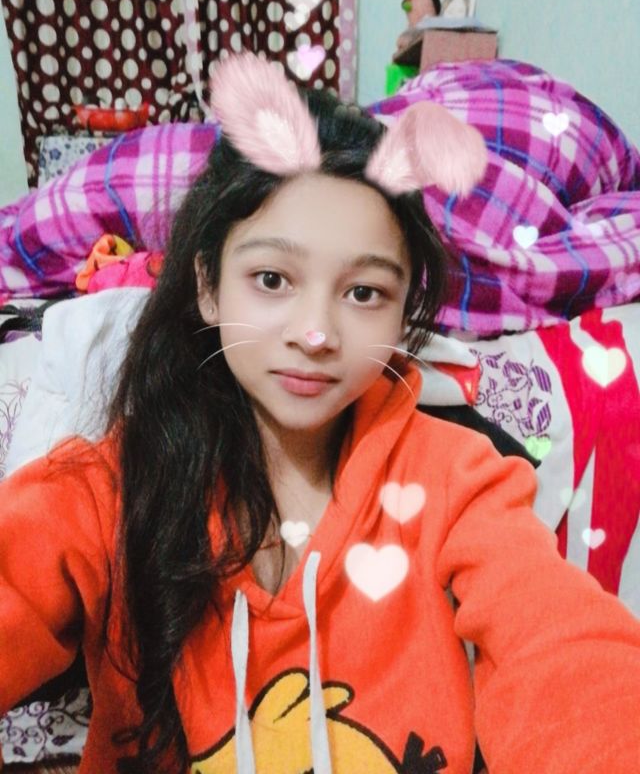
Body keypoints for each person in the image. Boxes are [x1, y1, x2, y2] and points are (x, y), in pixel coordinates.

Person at [1, 52, 639, 774]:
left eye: (364, 293)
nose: (315, 334)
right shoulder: (108, 491)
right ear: (208, 286)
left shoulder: (458, 482)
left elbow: (566, 653)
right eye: (272, 279)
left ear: (405, 308)